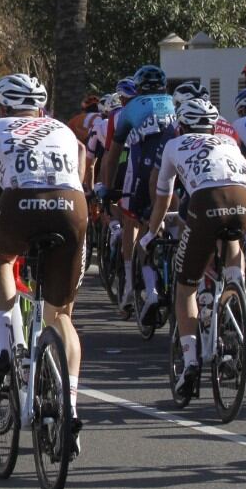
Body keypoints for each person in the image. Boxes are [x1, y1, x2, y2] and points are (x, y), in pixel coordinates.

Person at [0, 73, 87, 455]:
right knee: (62, 318)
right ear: (40, 108)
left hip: (19, 204)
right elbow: (81, 167)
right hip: (72, 207)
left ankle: (6, 344)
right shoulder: (62, 129)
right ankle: (70, 404)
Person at [146, 98, 246, 397]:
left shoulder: (174, 144)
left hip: (206, 203)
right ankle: (237, 291)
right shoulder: (228, 140)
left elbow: (163, 199)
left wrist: (149, 235)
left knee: (186, 287)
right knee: (231, 239)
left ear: (181, 125)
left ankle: (191, 362)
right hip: (245, 201)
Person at [97, 65, 175, 316]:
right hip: (178, 167)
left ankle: (138, 286)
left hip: (143, 169)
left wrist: (108, 191)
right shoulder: (176, 103)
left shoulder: (129, 109)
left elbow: (112, 155)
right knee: (175, 221)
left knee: (134, 224)